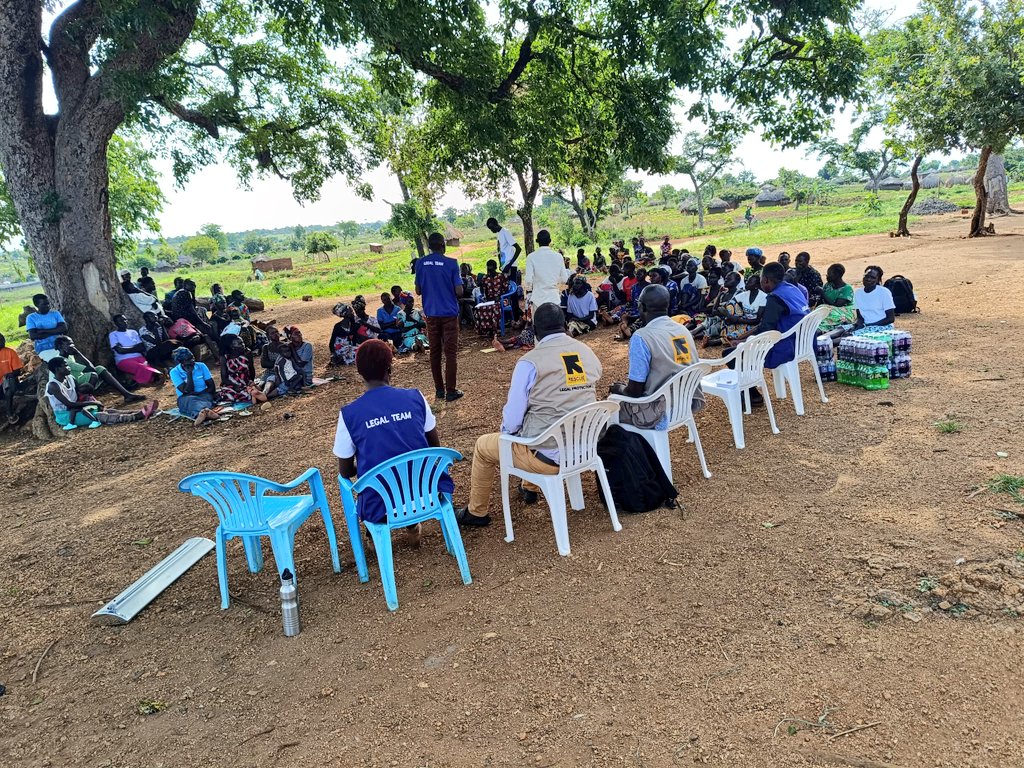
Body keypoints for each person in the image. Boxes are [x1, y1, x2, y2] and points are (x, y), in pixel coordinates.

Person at [455, 304, 602, 527]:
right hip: (584, 447)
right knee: (540, 424)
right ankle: (530, 487)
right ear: (563, 325)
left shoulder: (530, 362)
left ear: (535, 330)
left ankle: (476, 512)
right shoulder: (586, 351)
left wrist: (507, 436)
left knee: (485, 446)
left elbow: (513, 419)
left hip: (548, 457)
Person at [333, 339, 454, 545]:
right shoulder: (415, 397)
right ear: (390, 368)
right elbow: (435, 448)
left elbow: (345, 472)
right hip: (426, 492)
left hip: (380, 505)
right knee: (405, 472)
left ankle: (376, 536)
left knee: (379, 481)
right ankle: (412, 524)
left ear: (359, 373)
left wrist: (367, 464)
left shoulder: (349, 414)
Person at [610, 284, 703, 429]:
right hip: (686, 403)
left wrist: (619, 389)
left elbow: (634, 392)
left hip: (659, 412)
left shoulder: (642, 337)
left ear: (643, 307)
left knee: (608, 413)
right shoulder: (682, 330)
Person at [415, 232, 464, 402]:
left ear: (429, 247)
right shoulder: (451, 263)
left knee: (434, 353)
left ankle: (439, 390)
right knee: (450, 354)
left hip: (431, 314)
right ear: (443, 245)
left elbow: (418, 290)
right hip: (449, 314)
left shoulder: (421, 263)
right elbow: (459, 291)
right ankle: (451, 391)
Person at [749, 262, 810, 397]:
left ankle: (752, 394)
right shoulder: (792, 288)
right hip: (804, 341)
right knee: (742, 345)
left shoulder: (774, 298)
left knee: (735, 354)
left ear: (765, 280)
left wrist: (747, 342)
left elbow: (766, 328)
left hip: (786, 346)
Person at [45, 357, 157, 428]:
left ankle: (139, 411)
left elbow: (79, 393)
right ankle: (136, 416)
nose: (68, 367)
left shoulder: (69, 378)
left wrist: (90, 397)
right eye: (65, 365)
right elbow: (69, 404)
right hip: (66, 415)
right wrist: (92, 404)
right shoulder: (53, 385)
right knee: (100, 415)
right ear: (57, 369)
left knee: (109, 410)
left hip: (77, 409)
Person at [54, 335, 146, 403]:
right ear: (60, 347)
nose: (72, 346)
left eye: (72, 343)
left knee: (100, 368)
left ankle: (126, 394)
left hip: (81, 378)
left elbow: (91, 368)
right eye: (69, 344)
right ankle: (86, 398)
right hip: (75, 384)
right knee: (93, 374)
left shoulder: (69, 356)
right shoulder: (64, 360)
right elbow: (91, 369)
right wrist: (78, 353)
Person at [169, 347, 228, 426]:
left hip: (204, 394)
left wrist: (199, 393)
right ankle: (206, 412)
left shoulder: (201, 366)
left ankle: (202, 413)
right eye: (188, 360)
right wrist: (189, 373)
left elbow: (211, 387)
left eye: (192, 357)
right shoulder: (174, 372)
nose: (192, 361)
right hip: (186, 398)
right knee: (189, 401)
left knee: (207, 397)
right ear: (181, 362)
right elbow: (186, 391)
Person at [108, 314, 163, 385]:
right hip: (123, 360)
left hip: (139, 357)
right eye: (120, 321)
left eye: (125, 320)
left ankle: (137, 380)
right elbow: (119, 351)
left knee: (144, 366)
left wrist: (125, 348)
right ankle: (156, 374)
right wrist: (135, 347)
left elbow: (142, 347)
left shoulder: (133, 332)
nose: (124, 322)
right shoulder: (113, 334)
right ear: (116, 323)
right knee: (141, 367)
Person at [523, 229, 571, 313]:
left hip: (538, 299)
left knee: (538, 325)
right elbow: (564, 279)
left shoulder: (531, 257)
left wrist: (532, 288)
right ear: (549, 241)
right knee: (555, 325)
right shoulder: (558, 257)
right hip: (554, 299)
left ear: (537, 242)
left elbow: (528, 281)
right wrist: (554, 280)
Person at [216, 334, 266, 406]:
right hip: (231, 383)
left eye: (242, 342)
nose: (243, 345)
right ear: (232, 346)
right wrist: (235, 386)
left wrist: (250, 382)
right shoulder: (224, 357)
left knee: (248, 393)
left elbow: (251, 370)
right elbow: (224, 377)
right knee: (229, 395)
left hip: (245, 382)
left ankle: (252, 396)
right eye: (239, 343)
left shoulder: (247, 353)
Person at [722, 274, 768, 347]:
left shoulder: (763, 297)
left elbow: (757, 320)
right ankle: (729, 338)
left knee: (733, 334)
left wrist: (737, 320)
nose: (746, 283)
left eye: (750, 282)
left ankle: (717, 341)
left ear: (756, 286)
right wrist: (730, 316)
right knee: (731, 304)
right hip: (743, 321)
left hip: (753, 325)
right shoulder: (745, 294)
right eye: (747, 281)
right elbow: (729, 304)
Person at [25, 294, 68, 359]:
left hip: (61, 346)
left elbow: (64, 329)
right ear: (36, 305)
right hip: (43, 348)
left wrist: (42, 331)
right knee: (59, 365)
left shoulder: (55, 313)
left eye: (48, 303)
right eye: (44, 304)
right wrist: (56, 331)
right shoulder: (31, 317)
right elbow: (33, 336)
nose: (47, 306)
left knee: (71, 366)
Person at [854, 265, 896, 332]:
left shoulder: (884, 292)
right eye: (866, 276)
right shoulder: (858, 293)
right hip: (865, 325)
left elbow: (890, 318)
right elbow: (860, 317)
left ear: (877, 280)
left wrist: (870, 325)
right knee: (841, 330)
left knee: (848, 337)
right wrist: (858, 325)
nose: (868, 279)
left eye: (872, 277)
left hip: (882, 326)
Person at [473, 259, 508, 338]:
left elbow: (506, 289)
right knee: (480, 308)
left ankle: (495, 329)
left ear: (495, 267)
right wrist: (485, 295)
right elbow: (483, 290)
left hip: (502, 299)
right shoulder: (485, 278)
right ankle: (485, 330)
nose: (490, 270)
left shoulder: (501, 276)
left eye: (491, 268)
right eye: (489, 268)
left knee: (494, 307)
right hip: (490, 300)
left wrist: (499, 296)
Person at [818, 263, 857, 333]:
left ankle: (823, 329)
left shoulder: (847, 289)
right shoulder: (828, 285)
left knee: (829, 314)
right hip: (829, 309)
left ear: (837, 275)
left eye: (829, 274)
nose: (827, 276)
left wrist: (822, 293)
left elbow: (838, 305)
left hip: (845, 312)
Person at [0, 331, 26, 422]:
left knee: (9, 381)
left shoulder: (9, 352)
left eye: (2, 339)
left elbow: (17, 371)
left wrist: (7, 375)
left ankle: (9, 412)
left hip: (6, 383)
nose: (2, 342)